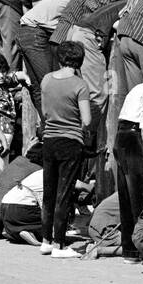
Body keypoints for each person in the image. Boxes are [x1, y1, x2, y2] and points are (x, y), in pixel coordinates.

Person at [40, 41, 93, 258]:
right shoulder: (80, 85)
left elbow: (44, 112)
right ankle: (60, 245)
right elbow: (87, 120)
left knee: (49, 193)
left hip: (49, 140)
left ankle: (45, 240)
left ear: (60, 58)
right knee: (64, 194)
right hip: (71, 141)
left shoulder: (46, 80)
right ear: (79, 60)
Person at [113, 76, 143, 259]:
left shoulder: (137, 88)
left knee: (126, 198)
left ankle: (130, 250)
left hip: (121, 136)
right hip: (134, 138)